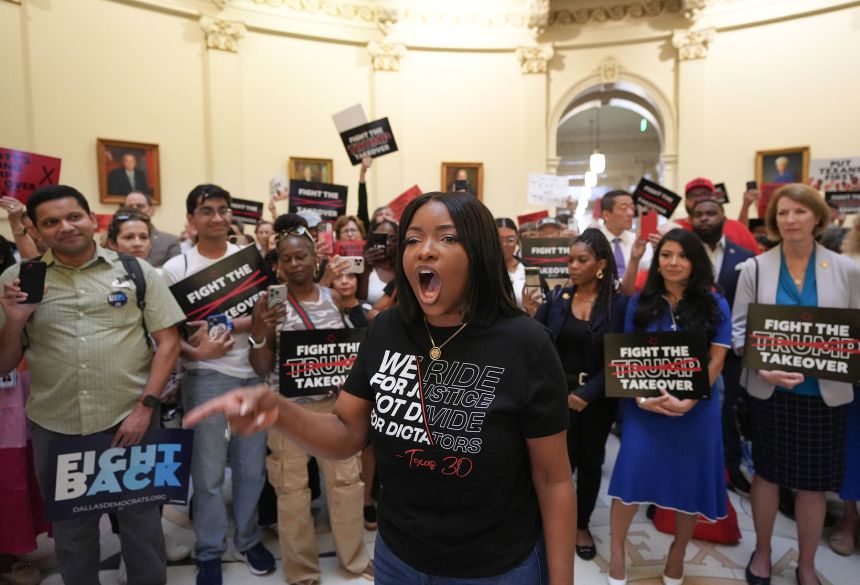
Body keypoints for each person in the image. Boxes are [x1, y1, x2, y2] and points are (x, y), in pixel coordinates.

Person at [183, 191, 576, 585]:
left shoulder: (526, 343)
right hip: (398, 559)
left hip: (495, 567)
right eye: (412, 239)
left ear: (480, 253)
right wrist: (281, 412)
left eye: (447, 237)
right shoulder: (388, 329)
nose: (424, 251)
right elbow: (348, 433)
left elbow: (553, 479)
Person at [0, 185, 185, 585]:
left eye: (73, 217)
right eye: (51, 222)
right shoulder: (17, 280)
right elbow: (3, 365)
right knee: (73, 534)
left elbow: (169, 343)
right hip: (57, 428)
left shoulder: (135, 271)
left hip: (130, 424)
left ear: (91, 219)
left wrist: (145, 408)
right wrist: (15, 319)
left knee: (142, 529)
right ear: (34, 229)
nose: (65, 227)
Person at [731, 184, 860, 585]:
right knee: (766, 476)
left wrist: (836, 352)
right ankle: (764, 551)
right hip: (771, 393)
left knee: (814, 485)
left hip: (825, 396)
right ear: (773, 220)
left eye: (800, 212)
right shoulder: (754, 268)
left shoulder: (848, 270)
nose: (790, 220)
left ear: (818, 218)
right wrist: (760, 366)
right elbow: (739, 332)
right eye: (783, 213)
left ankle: (806, 563)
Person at [161, 185, 275, 585]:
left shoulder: (248, 260)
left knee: (251, 468)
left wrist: (224, 323)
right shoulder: (176, 269)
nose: (217, 218)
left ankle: (247, 539)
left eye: (223, 210)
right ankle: (209, 551)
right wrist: (205, 344)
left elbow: (267, 311)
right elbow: (173, 329)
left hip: (252, 372)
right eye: (206, 211)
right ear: (192, 219)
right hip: (206, 378)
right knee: (207, 474)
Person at [247, 226, 372, 585]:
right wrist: (259, 330)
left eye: (301, 256)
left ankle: (353, 561)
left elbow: (350, 350)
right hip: (287, 410)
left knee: (347, 484)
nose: (294, 263)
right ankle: (302, 572)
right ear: (278, 265)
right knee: (291, 489)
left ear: (316, 259)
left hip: (335, 409)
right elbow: (260, 366)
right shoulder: (268, 303)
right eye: (285, 258)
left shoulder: (334, 298)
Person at [608, 228, 731, 585]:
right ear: (657, 261)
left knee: (689, 482)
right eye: (666, 255)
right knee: (631, 477)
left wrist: (689, 400)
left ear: (696, 262)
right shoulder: (641, 302)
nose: (673, 262)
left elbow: (717, 360)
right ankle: (617, 552)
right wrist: (641, 398)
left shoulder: (714, 302)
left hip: (697, 409)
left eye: (682, 255)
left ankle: (677, 553)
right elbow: (627, 354)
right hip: (644, 407)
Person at [532, 228, 627, 561]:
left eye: (581, 260)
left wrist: (588, 392)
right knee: (554, 464)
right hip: (557, 396)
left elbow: (621, 359)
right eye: (570, 259)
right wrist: (530, 313)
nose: (572, 266)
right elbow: (538, 343)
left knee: (589, 463)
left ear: (600, 264)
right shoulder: (558, 300)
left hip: (596, 400)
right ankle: (547, 520)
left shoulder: (618, 306)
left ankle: (581, 524)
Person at [691, 199, 755, 495]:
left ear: (723, 217)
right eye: (698, 214)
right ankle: (690, 471)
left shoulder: (744, 257)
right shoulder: (684, 254)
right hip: (689, 346)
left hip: (730, 349)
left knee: (728, 411)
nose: (704, 218)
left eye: (710, 213)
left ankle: (730, 467)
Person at [675, 178, 760, 255]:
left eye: (705, 194)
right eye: (693, 195)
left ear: (716, 197)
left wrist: (746, 206)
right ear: (686, 201)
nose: (699, 199)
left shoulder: (737, 227)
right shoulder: (675, 229)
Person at [599, 189, 653, 294]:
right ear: (606, 215)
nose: (631, 213)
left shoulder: (641, 242)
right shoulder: (592, 243)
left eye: (632, 208)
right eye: (624, 208)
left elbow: (647, 273)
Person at [123, 191, 181, 267]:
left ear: (152, 210)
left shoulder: (170, 241)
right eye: (129, 207)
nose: (135, 210)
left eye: (140, 206)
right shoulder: (114, 240)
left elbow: (175, 271)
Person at [360, 219, 397, 304]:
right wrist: (365, 268)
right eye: (382, 239)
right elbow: (361, 300)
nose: (387, 243)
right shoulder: (365, 265)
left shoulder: (404, 267)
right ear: (372, 240)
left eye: (393, 239)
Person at [495, 217, 526, 307]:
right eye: (499, 240)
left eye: (510, 240)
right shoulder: (481, 269)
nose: (504, 245)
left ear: (517, 240)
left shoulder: (526, 268)